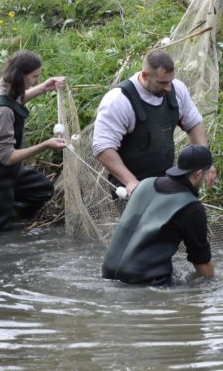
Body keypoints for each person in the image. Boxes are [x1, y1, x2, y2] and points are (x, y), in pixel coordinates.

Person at [0, 50, 67, 235]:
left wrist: (44, 87)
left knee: (42, 189)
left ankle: (9, 213)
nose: (36, 80)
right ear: (21, 76)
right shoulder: (3, 112)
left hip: (6, 168)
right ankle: (0, 220)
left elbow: (16, 101)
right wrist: (45, 144)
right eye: (35, 77)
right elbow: (7, 157)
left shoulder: (2, 84)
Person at [92, 50, 214, 198]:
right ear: (144, 76)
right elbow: (103, 147)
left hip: (166, 179)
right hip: (129, 186)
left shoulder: (177, 89)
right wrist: (131, 182)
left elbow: (194, 123)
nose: (168, 88)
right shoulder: (118, 101)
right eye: (162, 83)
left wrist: (204, 162)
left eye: (170, 81)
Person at [102, 145, 215, 286]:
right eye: (205, 174)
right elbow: (201, 262)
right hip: (144, 283)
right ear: (198, 174)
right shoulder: (192, 207)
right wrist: (213, 285)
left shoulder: (145, 184)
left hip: (107, 273)